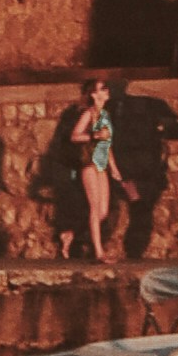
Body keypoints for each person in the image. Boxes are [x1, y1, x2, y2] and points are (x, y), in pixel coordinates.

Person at [54, 78, 120, 264]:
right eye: (102, 88)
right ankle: (99, 252)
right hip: (89, 163)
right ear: (93, 94)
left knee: (103, 212)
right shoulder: (88, 114)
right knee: (94, 208)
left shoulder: (105, 115)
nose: (107, 91)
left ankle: (70, 234)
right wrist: (94, 135)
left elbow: (107, 144)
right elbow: (75, 136)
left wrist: (114, 167)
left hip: (101, 164)